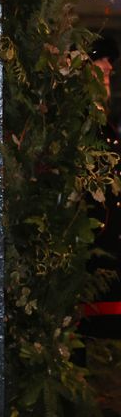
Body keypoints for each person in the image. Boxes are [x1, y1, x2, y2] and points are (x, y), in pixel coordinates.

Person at [80, 36, 121, 343]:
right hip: (89, 252)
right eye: (101, 70)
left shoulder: (104, 125)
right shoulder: (78, 125)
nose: (108, 74)